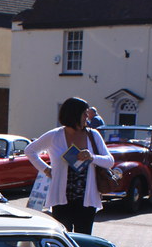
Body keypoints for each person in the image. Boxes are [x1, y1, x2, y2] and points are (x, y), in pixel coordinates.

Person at [25, 97, 115, 234]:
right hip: (61, 199)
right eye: (85, 113)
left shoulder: (93, 135)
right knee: (63, 238)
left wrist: (92, 157)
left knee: (83, 241)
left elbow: (110, 161)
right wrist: (45, 169)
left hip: (87, 200)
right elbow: (30, 150)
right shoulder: (54, 135)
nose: (87, 117)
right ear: (74, 114)